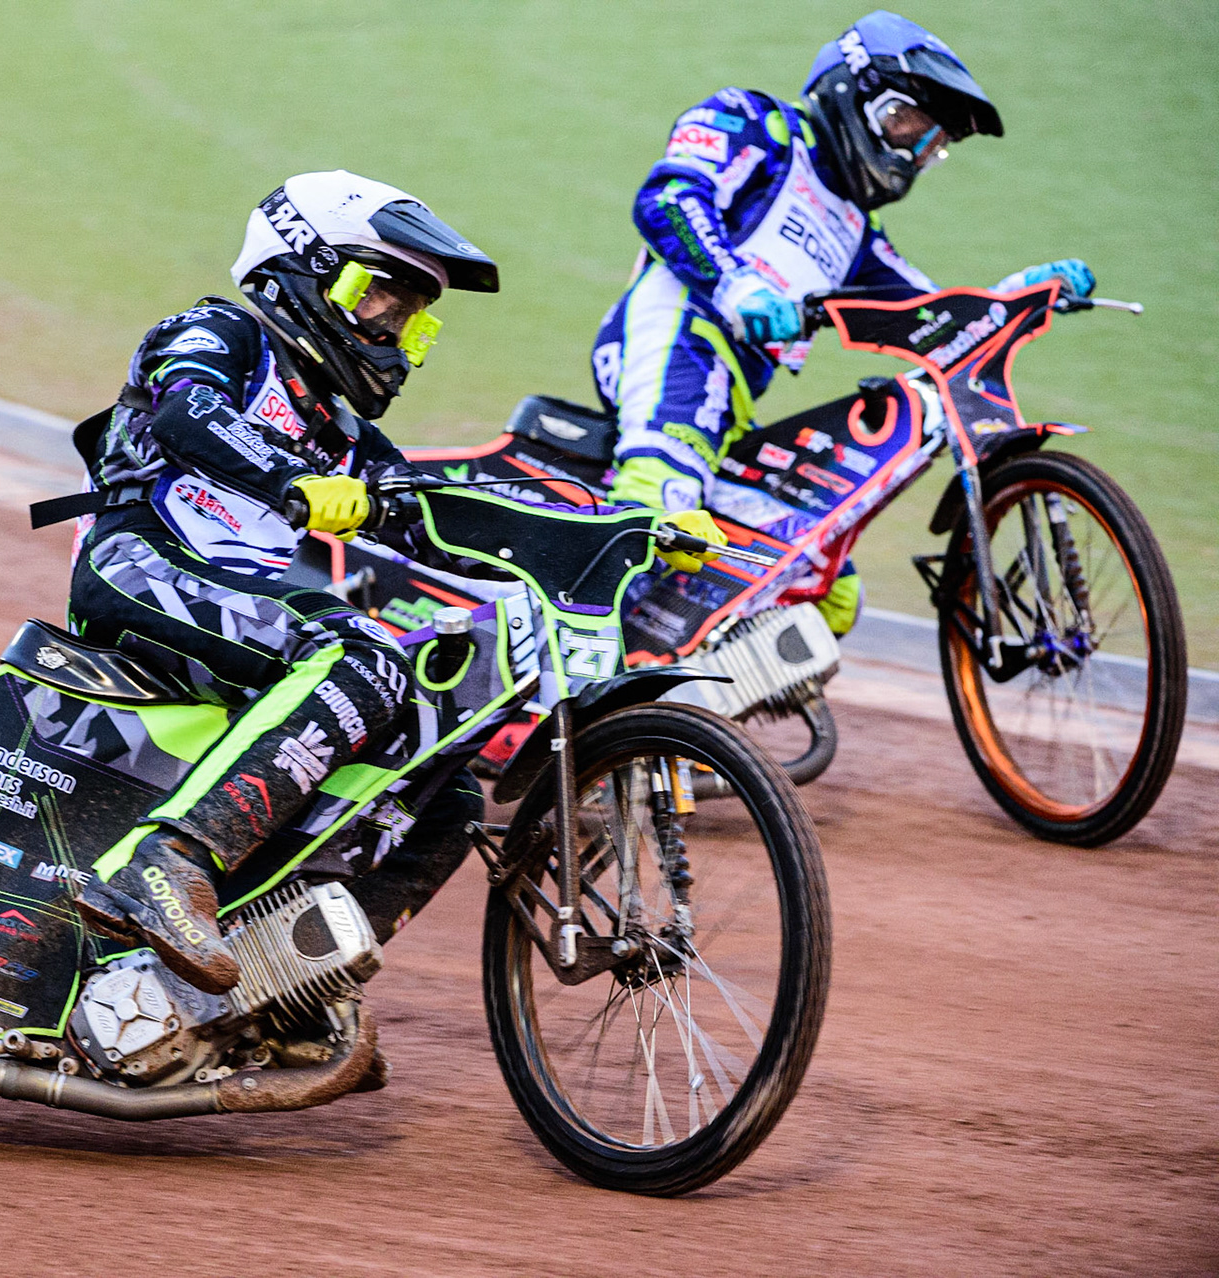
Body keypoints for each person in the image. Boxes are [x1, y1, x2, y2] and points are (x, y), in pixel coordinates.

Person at [59, 171, 717, 993]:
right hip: (136, 566)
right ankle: (167, 862)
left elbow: (452, 519)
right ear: (301, 267)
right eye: (377, 296)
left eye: (409, 316)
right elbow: (186, 411)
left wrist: (633, 529)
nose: (390, 328)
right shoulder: (220, 332)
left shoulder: (344, 432)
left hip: (236, 605)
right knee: (364, 656)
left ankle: (285, 991)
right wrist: (292, 482)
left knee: (447, 796)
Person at [589, 10, 1095, 636]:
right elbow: (667, 198)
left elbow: (931, 317)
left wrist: (1014, 297)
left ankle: (666, 689)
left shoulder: (857, 230)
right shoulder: (753, 121)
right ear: (855, 93)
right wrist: (735, 282)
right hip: (674, 338)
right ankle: (567, 673)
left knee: (825, 592)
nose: (915, 153)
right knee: (658, 501)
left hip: (732, 405)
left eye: (931, 145)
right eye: (909, 125)